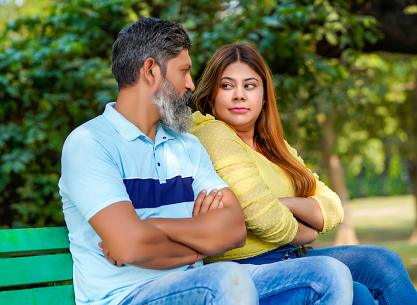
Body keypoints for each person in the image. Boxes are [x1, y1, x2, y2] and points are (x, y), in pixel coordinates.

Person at [59, 18, 355, 305]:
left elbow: (234, 230)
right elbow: (131, 245)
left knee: (329, 274)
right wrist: (199, 241)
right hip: (129, 296)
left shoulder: (186, 145)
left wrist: (155, 229)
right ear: (151, 70)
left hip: (201, 286)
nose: (190, 84)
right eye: (184, 70)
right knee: (226, 277)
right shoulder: (90, 144)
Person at [192, 42, 417, 305]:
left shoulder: (275, 146)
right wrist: (309, 231)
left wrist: (284, 203)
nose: (239, 95)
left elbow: (332, 205)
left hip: (295, 255)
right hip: (247, 266)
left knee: (384, 263)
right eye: (227, 85)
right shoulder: (212, 133)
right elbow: (264, 219)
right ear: (211, 95)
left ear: (264, 96)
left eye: (250, 85)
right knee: (360, 295)